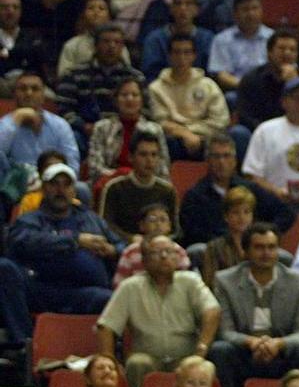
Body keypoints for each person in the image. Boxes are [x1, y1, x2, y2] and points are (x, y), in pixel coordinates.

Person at [208, 222, 299, 387]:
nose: (266, 253)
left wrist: (278, 344)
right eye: (259, 247)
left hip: (283, 355)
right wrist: (252, 342)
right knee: (220, 350)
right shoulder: (225, 281)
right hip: (244, 354)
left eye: (271, 247)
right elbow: (225, 332)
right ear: (245, 251)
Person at [97, 235, 220, 387]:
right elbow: (106, 325)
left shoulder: (191, 281)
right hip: (147, 355)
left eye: (169, 251)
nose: (164, 256)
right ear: (145, 260)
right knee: (137, 363)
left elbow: (212, 311)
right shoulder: (130, 287)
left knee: (200, 365)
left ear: (177, 257)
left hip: (186, 354)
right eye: (156, 253)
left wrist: (201, 350)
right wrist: (109, 360)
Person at [8, 162, 123, 314]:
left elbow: (122, 246)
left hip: (84, 291)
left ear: (74, 191)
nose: (60, 190)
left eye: (66, 185)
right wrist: (76, 240)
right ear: (43, 189)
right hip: (43, 290)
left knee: (111, 300)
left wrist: (113, 250)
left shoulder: (91, 219)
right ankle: (23, 338)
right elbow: (24, 241)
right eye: (54, 184)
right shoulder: (30, 220)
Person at [178, 132, 295, 249]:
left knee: (283, 257)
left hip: (252, 249)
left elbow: (286, 213)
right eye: (216, 156)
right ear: (207, 160)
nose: (221, 162)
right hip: (214, 250)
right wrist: (228, 241)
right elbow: (192, 232)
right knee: (197, 249)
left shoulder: (250, 188)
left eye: (226, 156)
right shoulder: (195, 196)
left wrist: (261, 234)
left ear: (235, 160)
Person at [242, 79, 299, 213]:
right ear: (284, 102)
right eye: (295, 98)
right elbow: (251, 174)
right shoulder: (265, 130)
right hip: (272, 203)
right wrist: (277, 192)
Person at [148, 33, 228, 162]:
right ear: (169, 56)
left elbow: (220, 121)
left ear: (194, 56)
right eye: (177, 53)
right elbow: (160, 122)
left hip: (206, 138)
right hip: (174, 140)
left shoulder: (208, 85)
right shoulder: (156, 88)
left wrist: (190, 132)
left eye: (187, 53)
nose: (181, 58)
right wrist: (184, 134)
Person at [55, 24, 146, 136]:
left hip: (126, 131)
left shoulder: (136, 77)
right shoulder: (74, 75)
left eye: (117, 42)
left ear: (123, 47)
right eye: (106, 42)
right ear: (95, 45)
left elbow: (146, 110)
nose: (111, 46)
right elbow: (64, 109)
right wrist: (83, 126)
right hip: (86, 131)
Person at [86, 78, 169, 189]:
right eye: (124, 95)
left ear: (142, 100)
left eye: (135, 95)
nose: (130, 99)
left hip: (146, 184)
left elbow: (162, 169)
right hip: (110, 184)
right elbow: (95, 168)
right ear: (116, 100)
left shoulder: (154, 130)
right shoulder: (102, 128)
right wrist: (122, 176)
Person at [98, 132, 178, 242]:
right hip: (123, 245)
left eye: (154, 155)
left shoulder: (167, 190)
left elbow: (175, 230)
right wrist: (130, 238)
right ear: (131, 157)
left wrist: (160, 240)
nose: (149, 160)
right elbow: (105, 226)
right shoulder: (115, 188)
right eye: (143, 155)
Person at [0, 70, 79, 173]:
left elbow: (72, 165)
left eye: (35, 89)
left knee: (81, 188)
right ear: (15, 95)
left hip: (53, 184)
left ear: (43, 96)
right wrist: (16, 120)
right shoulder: (5, 125)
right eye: (23, 89)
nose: (29, 93)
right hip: (17, 185)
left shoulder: (60, 125)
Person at [233, 31, 299, 137]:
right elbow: (244, 115)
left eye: (292, 50)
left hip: (292, 133)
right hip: (259, 133)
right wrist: (268, 131)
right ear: (269, 53)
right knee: (238, 132)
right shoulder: (251, 79)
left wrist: (293, 84)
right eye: (281, 48)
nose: (287, 53)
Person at [140, 0, 215, 81]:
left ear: (197, 10)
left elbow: (211, 72)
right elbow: (150, 73)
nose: (183, 8)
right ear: (171, 9)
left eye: (188, 4)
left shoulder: (207, 38)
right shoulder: (154, 39)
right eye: (178, 3)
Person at [111, 203, 189, 288]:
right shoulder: (131, 252)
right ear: (142, 226)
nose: (158, 224)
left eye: (163, 220)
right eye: (152, 220)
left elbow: (185, 285)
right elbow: (119, 285)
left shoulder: (178, 251)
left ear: (169, 226)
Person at [208, 0, 273, 92]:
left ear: (261, 11)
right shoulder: (222, 39)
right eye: (245, 9)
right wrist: (248, 87)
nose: (251, 14)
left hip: (269, 90)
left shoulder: (273, 37)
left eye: (255, 8)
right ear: (235, 14)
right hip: (237, 90)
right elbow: (221, 75)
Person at [58, 0, 126, 78]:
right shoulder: (72, 45)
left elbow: (127, 75)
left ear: (108, 16)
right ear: (83, 15)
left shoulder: (117, 45)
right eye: (91, 8)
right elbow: (63, 76)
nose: (96, 12)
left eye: (101, 8)